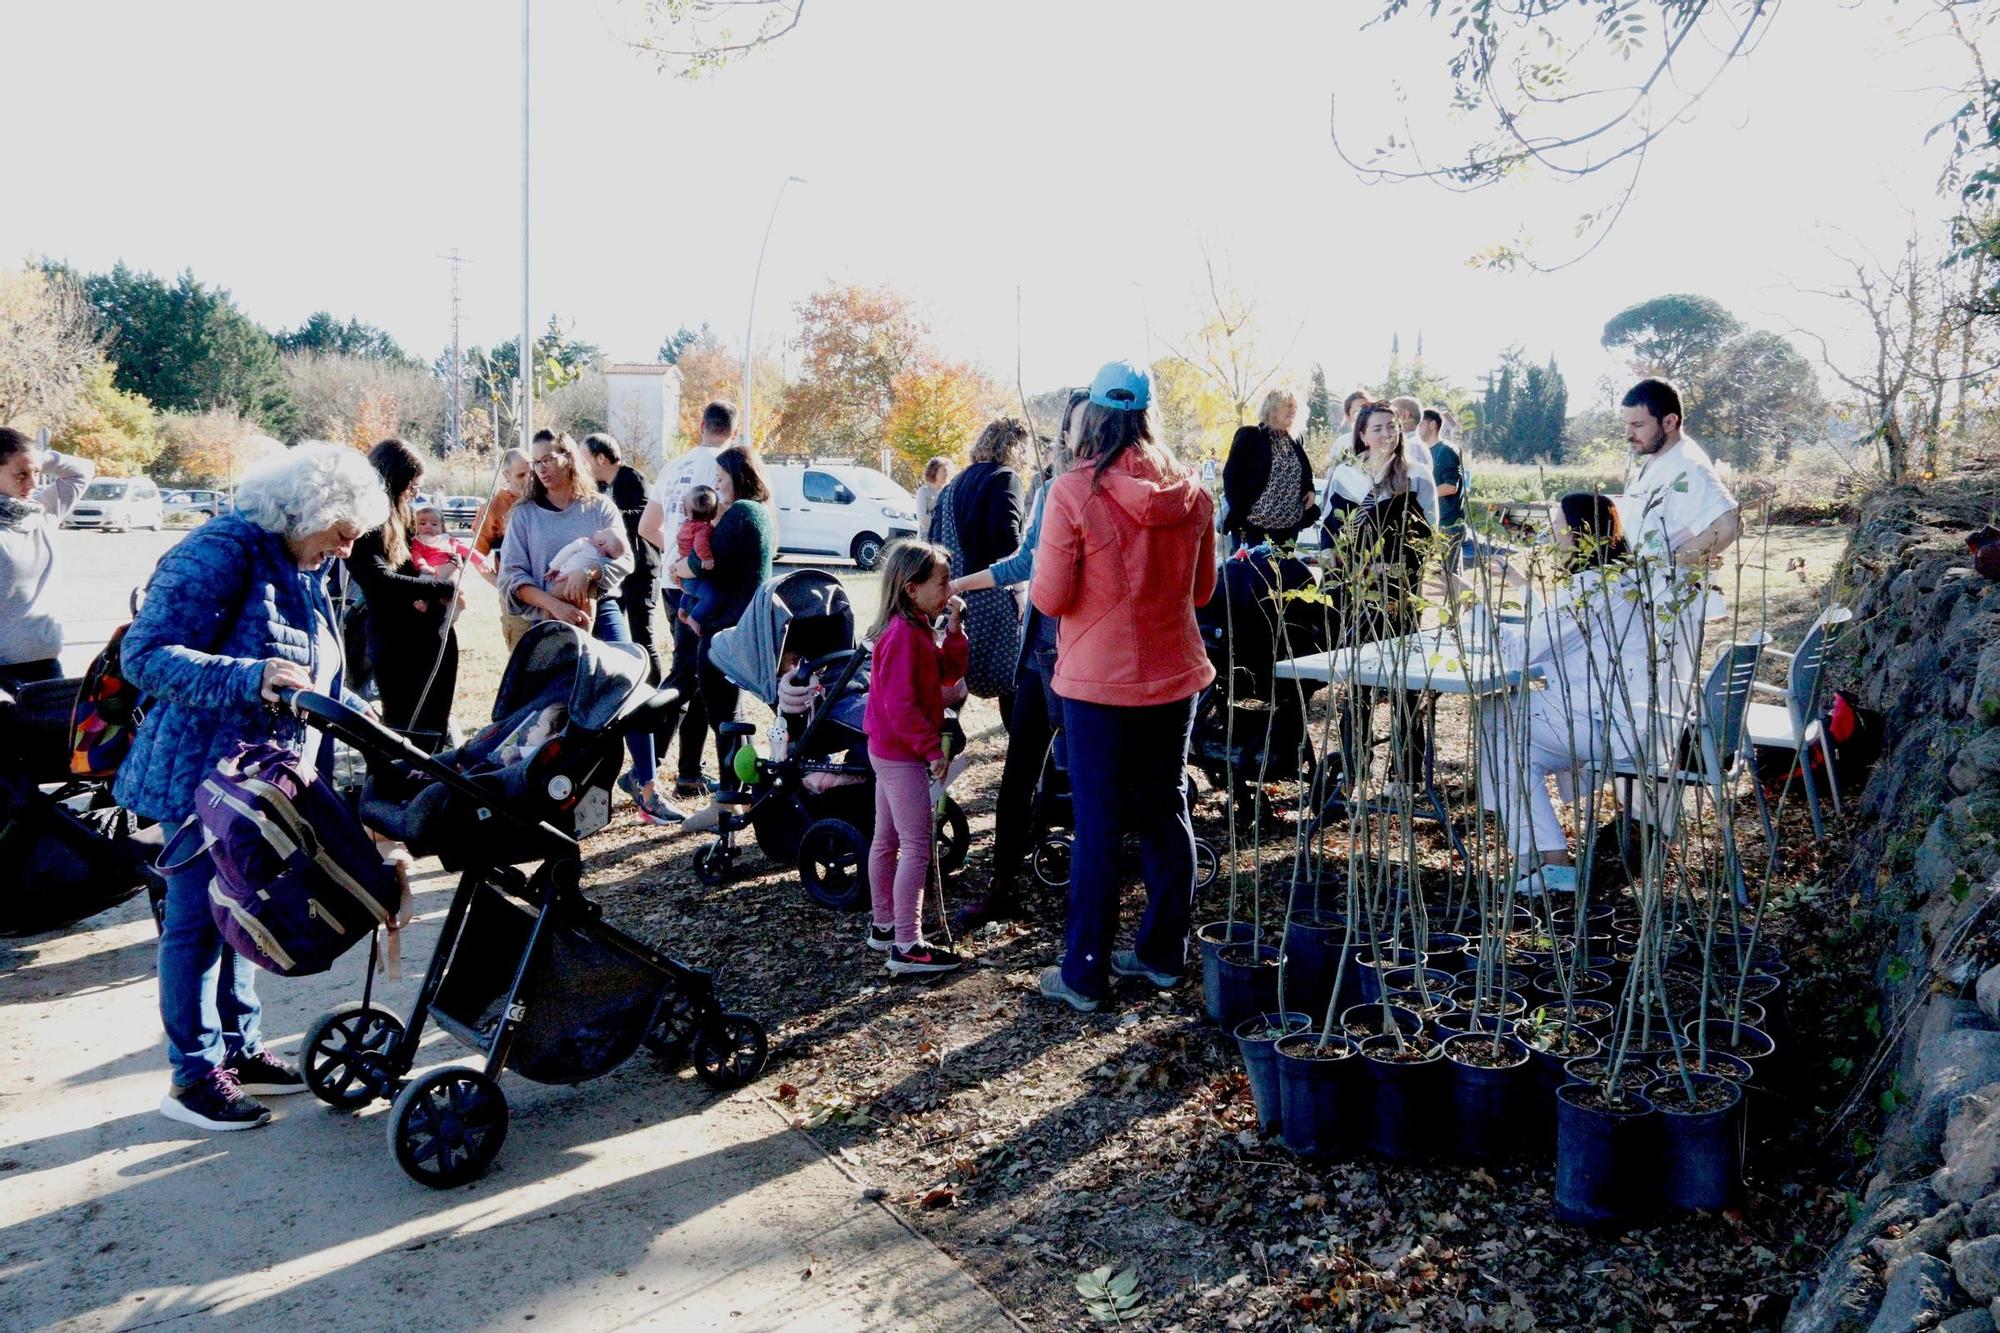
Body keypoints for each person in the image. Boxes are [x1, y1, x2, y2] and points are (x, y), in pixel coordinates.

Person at [116, 442, 388, 1130]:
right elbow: (144, 655)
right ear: (310, 511)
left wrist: (355, 710)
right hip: (203, 781)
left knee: (250, 914)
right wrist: (248, 677)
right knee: (196, 926)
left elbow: (308, 671)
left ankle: (240, 1048)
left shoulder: (301, 560)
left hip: (259, 788)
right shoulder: (225, 549)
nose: (346, 550)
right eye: (343, 532)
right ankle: (194, 1076)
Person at [1031, 360, 1218, 1013]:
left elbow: (1050, 594)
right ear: (1146, 413)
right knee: (1166, 811)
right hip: (1172, 676)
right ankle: (1164, 954)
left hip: (1097, 685)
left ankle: (1084, 973)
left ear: (1094, 415)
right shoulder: (1192, 493)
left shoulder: (1073, 492)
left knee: (1098, 825)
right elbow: (1202, 591)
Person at [1473, 492, 1662, 897]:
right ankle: (1539, 855)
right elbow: (1557, 629)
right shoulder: (1618, 579)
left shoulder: (1588, 588)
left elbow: (1524, 649)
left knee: (1494, 724)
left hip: (1601, 724)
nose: (1551, 533)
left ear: (1579, 535)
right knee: (1502, 726)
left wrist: (1472, 613)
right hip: (1622, 716)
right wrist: (1524, 588)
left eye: (1557, 525)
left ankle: (1548, 860)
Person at [949, 388, 1087, 931]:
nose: (1078, 439)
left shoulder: (1119, 492)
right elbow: (1024, 560)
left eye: (1090, 426)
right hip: (1042, 654)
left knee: (1091, 775)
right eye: (1071, 428)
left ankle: (1096, 890)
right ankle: (1003, 884)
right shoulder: (1051, 488)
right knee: (1018, 770)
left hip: (1089, 659)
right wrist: (956, 583)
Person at [497, 432, 673, 823]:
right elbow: (511, 578)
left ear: (568, 457)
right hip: (547, 617)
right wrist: (556, 605)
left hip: (603, 607)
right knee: (549, 709)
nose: (541, 469)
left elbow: (625, 561)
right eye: (536, 462)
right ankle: (539, 794)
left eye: (548, 459)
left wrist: (590, 571)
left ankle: (648, 789)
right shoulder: (525, 515)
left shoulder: (599, 507)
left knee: (631, 686)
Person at [863, 539, 970, 975]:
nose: (949, 589)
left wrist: (955, 630)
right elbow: (900, 707)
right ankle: (907, 944)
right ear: (911, 589)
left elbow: (947, 671)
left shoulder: (917, 628)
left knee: (886, 840)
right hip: (901, 755)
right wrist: (931, 752)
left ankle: (884, 926)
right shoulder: (904, 636)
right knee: (916, 846)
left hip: (886, 750)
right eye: (941, 583)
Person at [667, 444, 778, 829]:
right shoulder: (759, 514)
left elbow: (707, 566)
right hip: (741, 625)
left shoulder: (742, 514)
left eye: (720, 479)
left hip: (725, 632)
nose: (714, 488)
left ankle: (727, 803)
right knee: (735, 718)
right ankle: (742, 793)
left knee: (725, 720)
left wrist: (683, 566)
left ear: (739, 476)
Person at [637, 401, 735, 805]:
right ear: (733, 429)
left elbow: (647, 527)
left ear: (701, 425)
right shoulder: (727, 469)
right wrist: (697, 562)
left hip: (673, 583)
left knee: (694, 675)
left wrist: (679, 558)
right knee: (692, 675)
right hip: (707, 583)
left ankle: (688, 772)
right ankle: (648, 763)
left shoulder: (672, 467)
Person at [347, 439, 462, 747]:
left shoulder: (405, 518)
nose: (414, 492)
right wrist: (442, 586)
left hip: (426, 634)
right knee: (401, 729)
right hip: (392, 639)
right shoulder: (366, 522)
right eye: (411, 485)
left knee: (433, 723)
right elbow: (379, 580)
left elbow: (415, 566)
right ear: (395, 479)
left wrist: (444, 572)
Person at [928, 418, 1027, 717]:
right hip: (991, 597)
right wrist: (1021, 592)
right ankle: (1021, 753)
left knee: (954, 683)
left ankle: (943, 750)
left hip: (951, 600)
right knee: (1012, 680)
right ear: (1014, 447)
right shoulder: (1005, 477)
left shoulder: (953, 484)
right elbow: (1008, 542)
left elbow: (932, 541)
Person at [0, 427, 95, 691]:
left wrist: (40, 457)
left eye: (36, 473)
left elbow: (82, 470)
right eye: (21, 474)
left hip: (45, 664)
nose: (32, 483)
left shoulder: (41, 512)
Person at [1617, 377, 1741, 570]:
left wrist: (1673, 563)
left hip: (1672, 596)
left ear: (1669, 422)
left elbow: (1729, 526)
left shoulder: (1688, 466)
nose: (1628, 434)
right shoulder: (1657, 458)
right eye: (1627, 424)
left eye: (1638, 425)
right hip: (1646, 594)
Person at [584, 432, 662, 713]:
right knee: (614, 639)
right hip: (618, 575)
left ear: (600, 458)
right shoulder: (601, 486)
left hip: (641, 572)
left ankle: (652, 693)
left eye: (586, 459)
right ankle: (617, 689)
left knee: (643, 636)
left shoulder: (633, 478)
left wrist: (610, 521)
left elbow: (644, 517)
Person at [1221, 385, 1317, 546]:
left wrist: (1310, 490)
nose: (1293, 410)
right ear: (1272, 408)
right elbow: (1230, 476)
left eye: (1295, 406)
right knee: (1248, 571)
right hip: (1253, 528)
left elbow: (1304, 473)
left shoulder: (1296, 440)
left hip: (1288, 528)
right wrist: (1240, 513)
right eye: (1288, 405)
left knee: (1282, 572)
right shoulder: (1250, 436)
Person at [473, 447, 533, 650]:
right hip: (517, 597)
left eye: (531, 472)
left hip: (550, 592)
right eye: (521, 475)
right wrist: (501, 584)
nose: (528, 479)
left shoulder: (543, 500)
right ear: (507, 475)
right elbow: (475, 555)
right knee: (522, 653)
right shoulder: (493, 508)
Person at [1420, 408, 1467, 570]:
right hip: (1434, 523)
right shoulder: (1425, 452)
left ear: (1432, 425)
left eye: (1421, 423)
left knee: (1450, 576)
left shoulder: (1445, 450)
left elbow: (1450, 487)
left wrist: (1422, 495)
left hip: (1449, 524)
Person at [674, 485, 720, 633]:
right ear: (714, 514)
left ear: (685, 511)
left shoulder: (686, 526)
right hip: (693, 577)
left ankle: (682, 607)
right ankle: (694, 617)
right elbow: (700, 543)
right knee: (711, 597)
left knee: (689, 590)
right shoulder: (703, 528)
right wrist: (706, 558)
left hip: (683, 575)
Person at [914, 456, 951, 539]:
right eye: (944, 470)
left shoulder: (947, 492)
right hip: (926, 539)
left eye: (947, 471)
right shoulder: (923, 491)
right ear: (934, 472)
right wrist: (940, 525)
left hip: (942, 537)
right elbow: (922, 518)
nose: (947, 473)